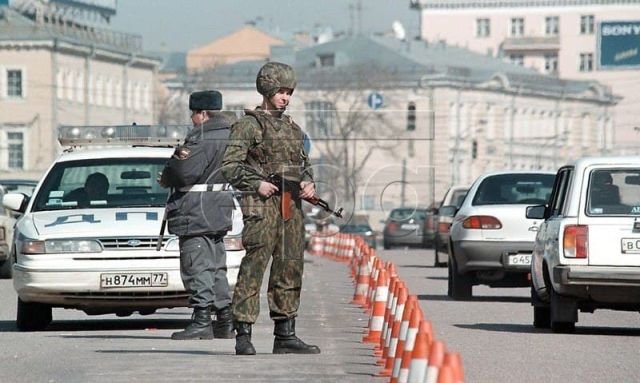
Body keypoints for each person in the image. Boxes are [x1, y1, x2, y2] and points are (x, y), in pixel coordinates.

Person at [222, 62, 320, 355]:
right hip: (261, 204)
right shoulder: (249, 125)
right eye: (280, 91)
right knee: (254, 266)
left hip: (291, 205)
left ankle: (285, 333)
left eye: (289, 92)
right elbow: (230, 166)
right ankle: (243, 333)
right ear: (266, 89)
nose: (285, 97)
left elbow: (304, 164)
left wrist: (308, 183)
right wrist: (257, 183)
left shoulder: (293, 128)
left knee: (290, 267)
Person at [158, 90, 236, 340]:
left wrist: (168, 172)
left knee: (196, 265)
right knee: (216, 267)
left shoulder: (201, 139)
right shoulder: (231, 136)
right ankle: (224, 320)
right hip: (219, 207)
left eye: (193, 114)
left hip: (195, 210)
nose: (192, 119)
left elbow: (182, 173)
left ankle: (202, 320)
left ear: (203, 114)